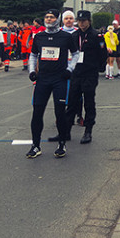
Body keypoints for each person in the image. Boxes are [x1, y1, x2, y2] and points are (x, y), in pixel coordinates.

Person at [26, 9, 78, 158]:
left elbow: (75, 54)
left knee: (59, 112)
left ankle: (62, 143)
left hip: (59, 78)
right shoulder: (39, 36)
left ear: (58, 19)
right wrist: (31, 71)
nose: (49, 19)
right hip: (43, 78)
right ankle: (35, 145)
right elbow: (33, 55)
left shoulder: (65, 37)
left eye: (52, 17)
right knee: (37, 112)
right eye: (47, 17)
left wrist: (69, 69)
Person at [66, 10, 107, 144]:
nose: (81, 23)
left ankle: (88, 130)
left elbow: (103, 53)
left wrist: (100, 67)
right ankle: (66, 130)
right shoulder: (74, 35)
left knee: (89, 102)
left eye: (84, 21)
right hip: (76, 73)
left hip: (90, 73)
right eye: (79, 21)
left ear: (89, 21)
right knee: (72, 101)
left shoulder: (97, 35)